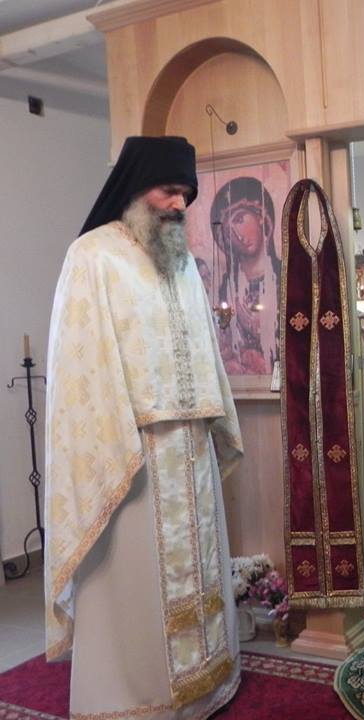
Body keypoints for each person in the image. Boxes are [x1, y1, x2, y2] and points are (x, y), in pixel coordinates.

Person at [45, 136, 244, 719]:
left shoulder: (179, 260)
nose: (180, 204)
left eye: (186, 194)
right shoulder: (92, 256)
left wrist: (213, 422)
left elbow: (204, 350)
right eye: (168, 190)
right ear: (135, 188)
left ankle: (206, 684)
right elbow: (83, 363)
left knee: (200, 570)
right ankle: (138, 698)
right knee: (136, 588)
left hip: (191, 450)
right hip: (133, 456)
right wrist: (119, 442)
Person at [209, 176, 280, 375]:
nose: (238, 235)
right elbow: (223, 341)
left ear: (261, 216)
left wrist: (262, 329)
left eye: (240, 220)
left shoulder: (285, 278)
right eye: (228, 230)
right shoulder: (227, 288)